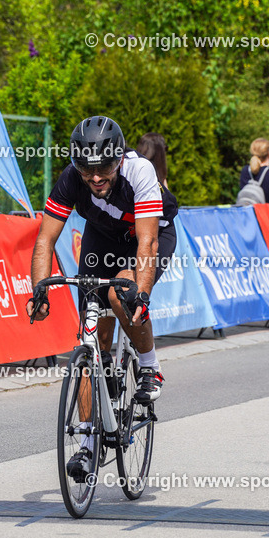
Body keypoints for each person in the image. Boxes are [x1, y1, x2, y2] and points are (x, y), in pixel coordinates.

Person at [26, 116, 178, 481]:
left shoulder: (139, 173)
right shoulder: (69, 179)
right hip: (102, 236)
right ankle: (88, 444)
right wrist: (39, 288)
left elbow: (147, 243)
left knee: (120, 292)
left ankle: (148, 366)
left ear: (119, 160)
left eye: (105, 168)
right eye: (86, 170)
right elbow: (45, 239)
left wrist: (140, 295)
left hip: (146, 233)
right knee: (91, 340)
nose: (95, 178)